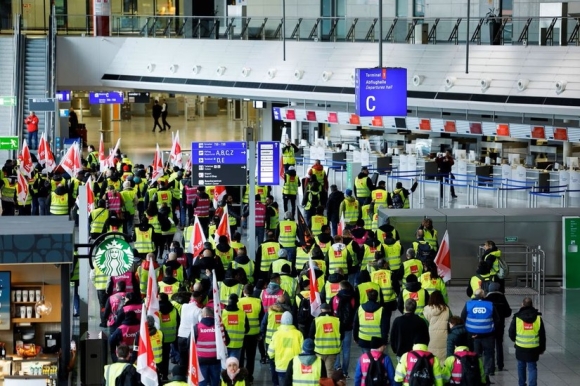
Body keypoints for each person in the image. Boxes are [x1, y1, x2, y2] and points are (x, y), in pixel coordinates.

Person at [461, 289, 500, 381]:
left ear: (474, 295)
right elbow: (497, 319)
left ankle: (476, 369)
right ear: (483, 295)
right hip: (488, 334)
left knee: (475, 354)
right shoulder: (490, 304)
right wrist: (491, 329)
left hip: (473, 334)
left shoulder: (468, 304)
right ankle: (488, 371)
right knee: (489, 353)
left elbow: (463, 317)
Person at [509, 297, 545, 386]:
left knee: (521, 366)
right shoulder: (538, 318)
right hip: (533, 347)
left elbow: (511, 332)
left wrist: (516, 340)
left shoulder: (517, 317)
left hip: (520, 346)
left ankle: (521, 384)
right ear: (532, 305)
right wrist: (542, 348)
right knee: (532, 367)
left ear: (522, 304)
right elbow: (542, 335)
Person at [195, 306, 231, 386]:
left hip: (201, 359)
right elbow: (227, 341)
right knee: (215, 381)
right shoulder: (219, 327)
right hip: (215, 359)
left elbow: (189, 344)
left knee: (202, 382)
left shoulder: (197, 327)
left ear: (203, 315)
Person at [268, 311, 304, 386]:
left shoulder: (276, 334)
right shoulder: (298, 334)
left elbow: (270, 352)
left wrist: (273, 358)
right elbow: (303, 351)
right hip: (295, 367)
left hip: (281, 367)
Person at [309, 303, 341, 378]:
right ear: (330, 310)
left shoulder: (316, 321)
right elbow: (342, 335)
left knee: (319, 371)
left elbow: (310, 335)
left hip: (319, 351)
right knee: (329, 371)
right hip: (333, 350)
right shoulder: (337, 320)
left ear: (321, 310)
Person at [485, 282, 512, 372]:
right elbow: (508, 312)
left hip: (489, 326)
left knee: (490, 346)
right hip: (500, 326)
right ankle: (500, 365)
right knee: (499, 345)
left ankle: (491, 366)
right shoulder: (502, 298)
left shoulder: (487, 299)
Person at [422, 290, 451, 361]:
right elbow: (451, 323)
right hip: (444, 337)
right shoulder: (447, 309)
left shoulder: (426, 309)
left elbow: (424, 324)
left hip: (430, 338)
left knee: (432, 359)